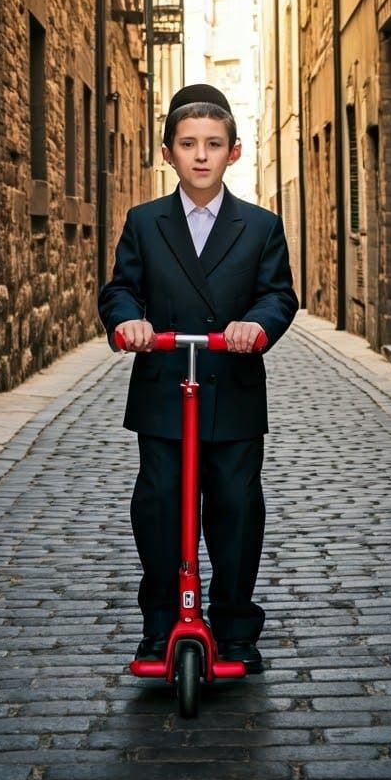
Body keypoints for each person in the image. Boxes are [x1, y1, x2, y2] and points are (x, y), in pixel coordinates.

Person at [98, 83, 298, 674]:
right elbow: (121, 288)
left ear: (234, 152)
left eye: (214, 144)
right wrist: (129, 321)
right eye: (189, 144)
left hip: (232, 388)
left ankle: (236, 626)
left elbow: (277, 294)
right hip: (164, 387)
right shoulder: (145, 221)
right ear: (169, 153)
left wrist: (255, 327)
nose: (202, 155)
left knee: (236, 506)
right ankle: (161, 624)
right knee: (158, 503)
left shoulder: (260, 226)